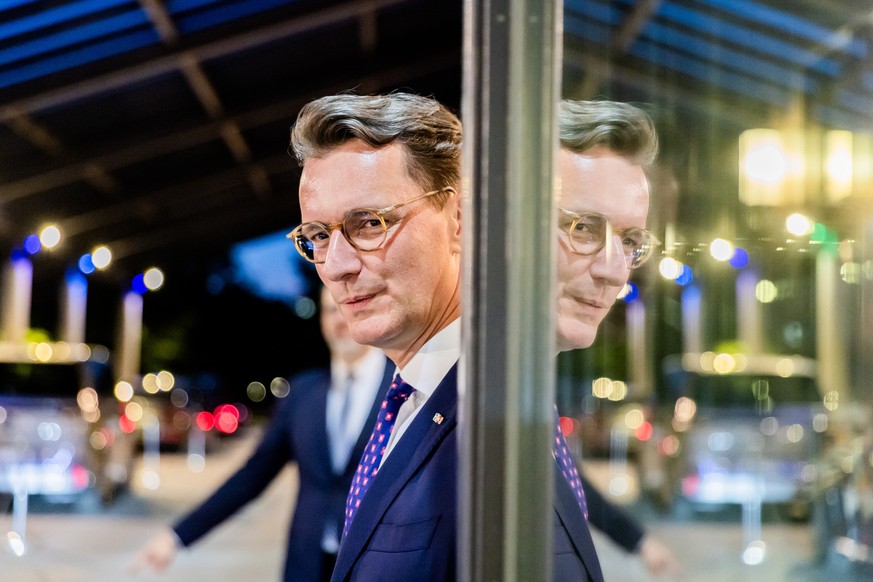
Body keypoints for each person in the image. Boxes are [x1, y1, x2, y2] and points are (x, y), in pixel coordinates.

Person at [287, 91, 604, 581]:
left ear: (460, 220)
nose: (337, 266)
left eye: (370, 223)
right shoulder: (420, 398)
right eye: (320, 236)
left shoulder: (491, 428)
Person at [130, 287, 394, 581]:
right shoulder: (303, 393)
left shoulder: (402, 386)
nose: (339, 318)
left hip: (376, 563)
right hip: (305, 565)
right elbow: (253, 475)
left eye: (347, 304)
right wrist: (177, 535)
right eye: (330, 310)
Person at [554, 99, 682, 578]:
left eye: (630, 242)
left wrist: (638, 540)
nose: (613, 271)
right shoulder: (455, 398)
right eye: (583, 227)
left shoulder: (518, 398)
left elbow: (569, 487)